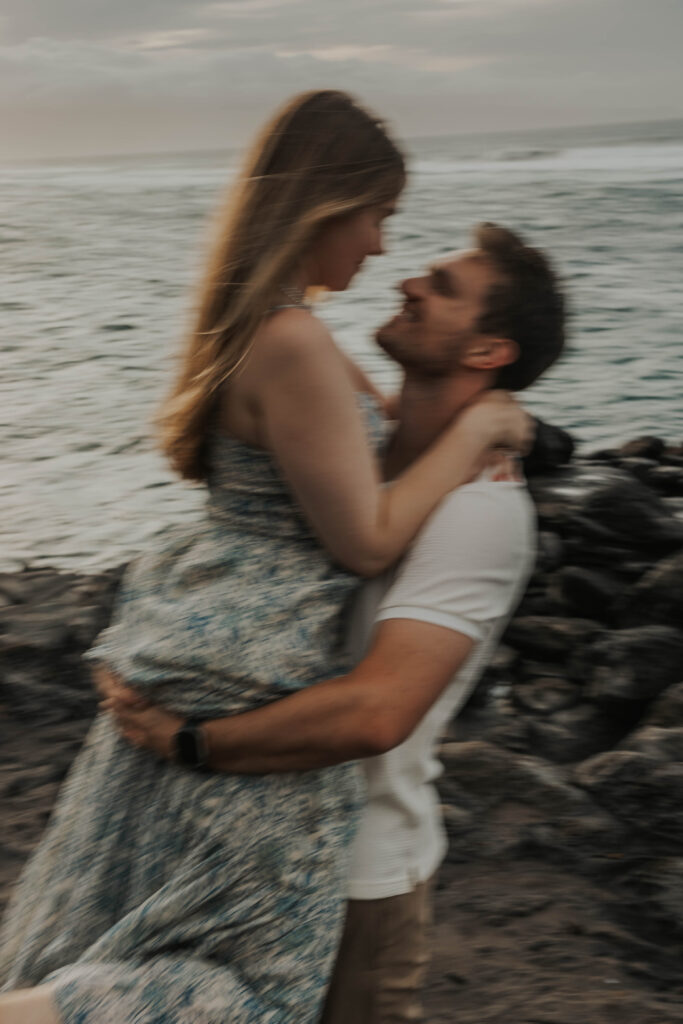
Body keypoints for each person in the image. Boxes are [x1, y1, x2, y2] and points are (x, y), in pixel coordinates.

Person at [0, 90, 529, 1024]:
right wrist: (484, 419)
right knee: (241, 987)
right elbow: (364, 535)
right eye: (376, 216)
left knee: (134, 929)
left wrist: (474, 412)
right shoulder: (295, 344)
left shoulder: (270, 331)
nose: (380, 249)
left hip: (209, 646)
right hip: (248, 668)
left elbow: (376, 445)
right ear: (323, 205)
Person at [101, 223, 566, 1022]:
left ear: (489, 352)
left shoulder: (480, 512)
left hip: (359, 884)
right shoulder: (365, 459)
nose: (407, 284)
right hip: (246, 855)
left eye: (441, 286)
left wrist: (189, 742)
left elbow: (377, 708)